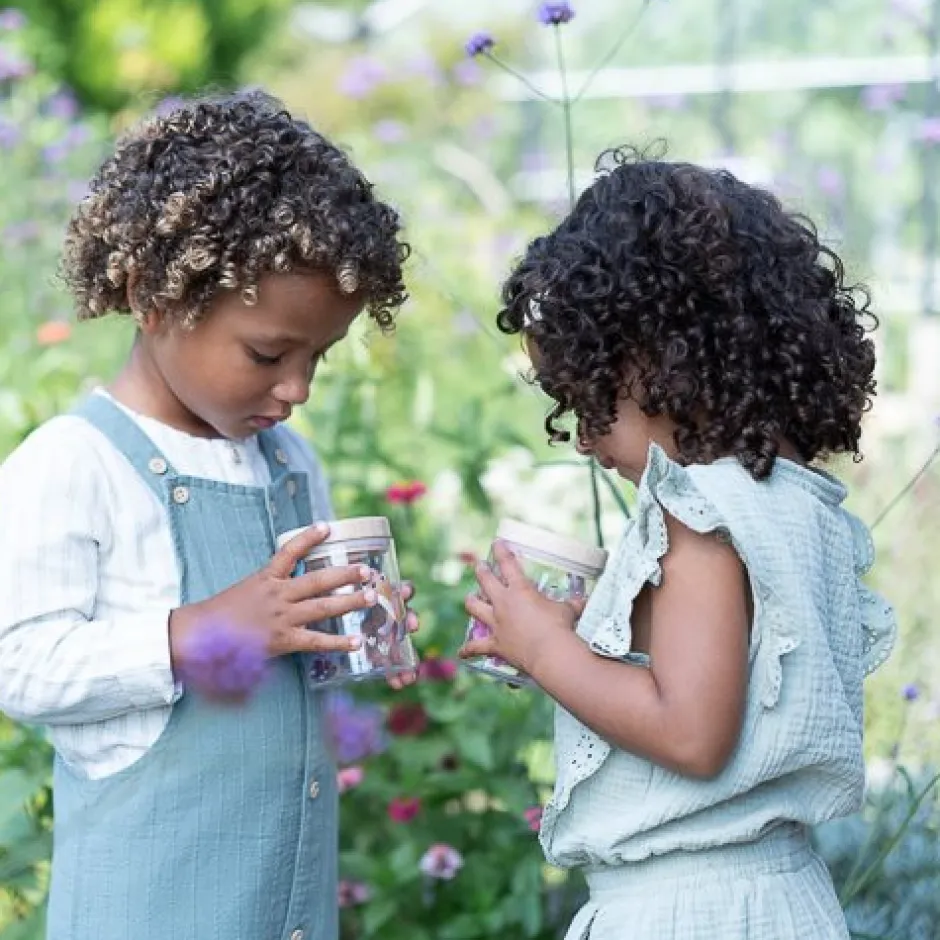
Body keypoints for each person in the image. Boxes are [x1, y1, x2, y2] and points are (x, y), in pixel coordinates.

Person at [0, 90, 415, 940]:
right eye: (268, 354)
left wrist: (354, 630)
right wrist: (194, 632)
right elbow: (18, 663)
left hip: (280, 900)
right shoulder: (75, 463)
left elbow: (286, 635)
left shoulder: (289, 462)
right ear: (156, 298)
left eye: (319, 357)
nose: (297, 388)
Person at [460, 148, 897, 939]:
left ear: (663, 362)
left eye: (590, 401)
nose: (586, 441)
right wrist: (602, 624)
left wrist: (543, 652)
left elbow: (692, 735)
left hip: (688, 910)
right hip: (776, 898)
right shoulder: (794, 502)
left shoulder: (700, 510)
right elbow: (733, 668)